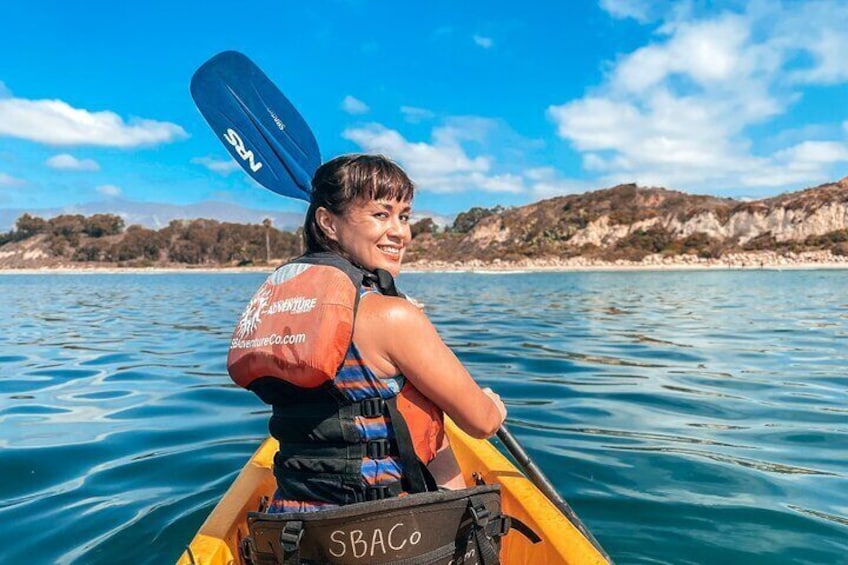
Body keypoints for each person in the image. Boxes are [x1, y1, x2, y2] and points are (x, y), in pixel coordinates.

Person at [229, 154, 507, 514]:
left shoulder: (282, 308)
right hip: (389, 535)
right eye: (381, 214)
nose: (400, 232)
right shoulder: (392, 316)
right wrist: (494, 406)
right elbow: (481, 423)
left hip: (295, 530)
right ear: (328, 222)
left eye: (404, 216)